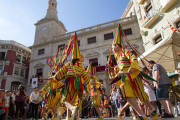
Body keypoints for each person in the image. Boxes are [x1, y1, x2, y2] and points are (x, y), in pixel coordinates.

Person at [111, 24, 158, 120]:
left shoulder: (125, 51)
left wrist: (132, 67)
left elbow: (134, 58)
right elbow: (119, 68)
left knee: (140, 95)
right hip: (124, 78)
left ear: (116, 46)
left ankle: (151, 109)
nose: (112, 49)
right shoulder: (117, 57)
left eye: (112, 47)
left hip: (132, 76)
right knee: (127, 96)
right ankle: (142, 115)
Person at [49, 33, 92, 120]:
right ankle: (68, 117)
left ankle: (72, 109)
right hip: (79, 83)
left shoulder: (68, 64)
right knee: (72, 100)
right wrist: (88, 87)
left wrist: (53, 78)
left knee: (65, 100)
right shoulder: (81, 67)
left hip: (70, 82)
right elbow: (86, 78)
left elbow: (60, 74)